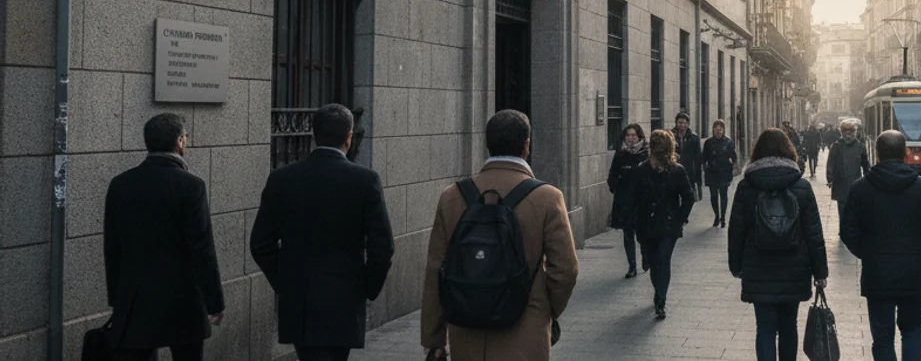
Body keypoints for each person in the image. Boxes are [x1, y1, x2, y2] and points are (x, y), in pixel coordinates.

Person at [421, 110, 578, 361]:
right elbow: (566, 269)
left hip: (466, 329)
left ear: (488, 144)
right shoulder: (547, 197)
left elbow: (435, 269)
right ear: (527, 145)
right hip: (524, 330)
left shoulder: (452, 196)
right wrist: (545, 309)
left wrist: (433, 337)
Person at [250, 104, 395, 361]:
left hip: (298, 298)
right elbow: (382, 246)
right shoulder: (365, 180)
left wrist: (284, 281)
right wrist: (367, 287)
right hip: (344, 297)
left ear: (313, 134)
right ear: (349, 137)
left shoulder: (281, 178)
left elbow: (261, 243)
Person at [103, 113, 224, 361]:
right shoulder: (191, 186)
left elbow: (112, 247)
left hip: (136, 300)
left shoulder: (120, 184)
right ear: (180, 141)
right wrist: (214, 302)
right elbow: (202, 249)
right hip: (183, 300)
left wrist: (118, 298)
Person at [841, 131, 921, 361]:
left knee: (882, 336)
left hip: (877, 273)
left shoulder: (860, 188)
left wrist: (868, 253)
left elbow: (848, 232)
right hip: (913, 271)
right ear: (905, 153)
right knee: (912, 330)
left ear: (877, 154)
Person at [728, 128, 829, 361]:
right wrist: (820, 271)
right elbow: (814, 233)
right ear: (788, 151)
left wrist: (736, 265)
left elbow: (736, 231)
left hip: (758, 266)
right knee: (788, 327)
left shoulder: (747, 186)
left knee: (764, 328)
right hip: (794, 267)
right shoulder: (801, 186)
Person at [633, 129, 696, 320]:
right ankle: (659, 294)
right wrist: (680, 218)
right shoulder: (643, 170)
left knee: (661, 260)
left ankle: (660, 297)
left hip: (664, 225)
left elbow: (688, 197)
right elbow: (636, 198)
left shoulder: (676, 171)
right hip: (656, 224)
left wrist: (679, 218)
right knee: (657, 261)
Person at [609, 123, 649, 277]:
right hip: (625, 201)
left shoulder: (645, 154)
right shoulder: (620, 154)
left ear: (639, 136)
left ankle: (645, 256)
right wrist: (616, 187)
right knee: (627, 234)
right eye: (628, 135)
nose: (631, 138)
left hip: (641, 202)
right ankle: (632, 266)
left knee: (641, 234)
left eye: (634, 135)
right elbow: (612, 175)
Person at [827, 119, 871, 221]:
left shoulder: (860, 146)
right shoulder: (837, 146)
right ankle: (844, 228)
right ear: (842, 131)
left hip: (852, 181)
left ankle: (847, 228)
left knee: (851, 207)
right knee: (844, 207)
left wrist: (868, 177)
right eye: (846, 130)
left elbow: (865, 164)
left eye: (851, 130)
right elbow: (831, 164)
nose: (848, 133)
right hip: (841, 181)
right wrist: (830, 178)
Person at [704, 119, 738, 228]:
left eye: (720, 129)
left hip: (724, 172)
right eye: (716, 129)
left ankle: (723, 217)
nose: (718, 131)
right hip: (712, 172)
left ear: (723, 130)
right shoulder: (708, 142)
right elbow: (703, 156)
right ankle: (716, 215)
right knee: (713, 196)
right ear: (713, 130)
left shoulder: (728, 142)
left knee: (723, 195)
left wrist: (731, 162)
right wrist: (706, 164)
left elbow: (734, 156)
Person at [673, 111, 704, 202]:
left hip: (689, 173)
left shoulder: (694, 138)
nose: (682, 125)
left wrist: (698, 181)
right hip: (674, 171)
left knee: (688, 199)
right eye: (680, 122)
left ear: (688, 124)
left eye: (685, 123)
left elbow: (698, 159)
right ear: (676, 123)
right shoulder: (670, 136)